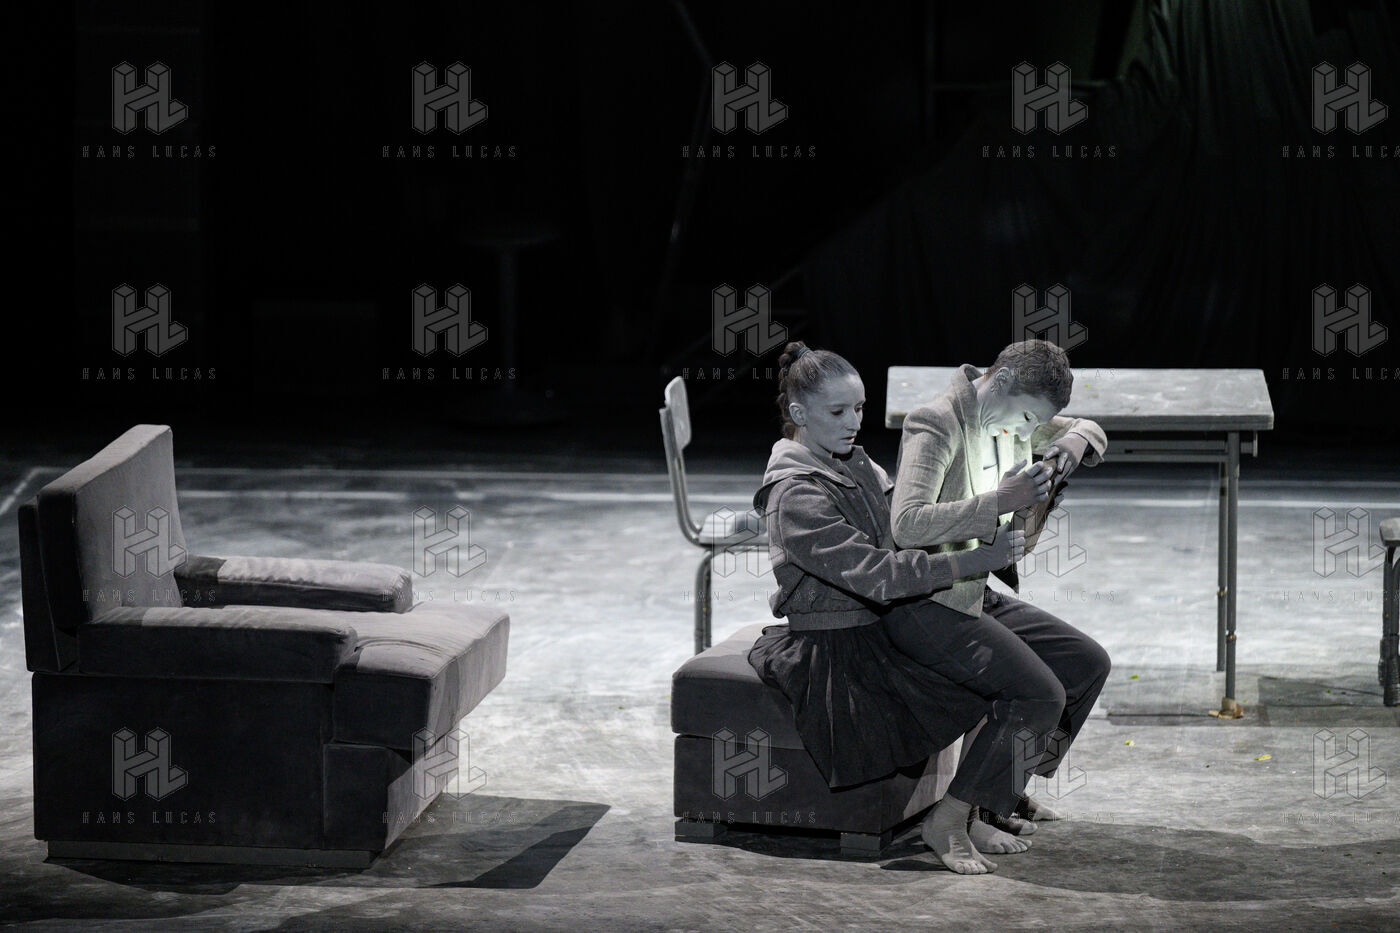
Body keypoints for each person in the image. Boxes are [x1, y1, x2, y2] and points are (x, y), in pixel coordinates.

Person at [747, 340, 1028, 875]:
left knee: (1003, 669)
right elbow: (878, 573)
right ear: (799, 415)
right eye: (838, 412)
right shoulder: (795, 495)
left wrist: (990, 508)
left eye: (859, 408)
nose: (854, 422)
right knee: (987, 682)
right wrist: (971, 562)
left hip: (878, 622)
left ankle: (975, 809)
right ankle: (958, 817)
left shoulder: (855, 462)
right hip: (837, 647)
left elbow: (905, 526)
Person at [886, 339, 1113, 846]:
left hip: (972, 590)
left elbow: (1088, 428)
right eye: (1029, 418)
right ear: (1002, 381)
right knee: (1040, 692)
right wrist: (1001, 501)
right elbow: (906, 524)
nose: (1029, 433)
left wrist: (1074, 443)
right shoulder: (936, 422)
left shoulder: (1010, 414)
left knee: (1085, 663)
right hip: (926, 600)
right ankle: (950, 819)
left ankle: (997, 796)